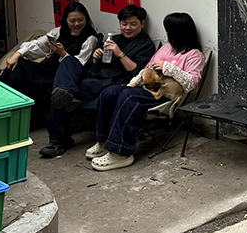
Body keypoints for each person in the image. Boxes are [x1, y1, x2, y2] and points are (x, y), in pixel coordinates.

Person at [85, 12, 205, 171]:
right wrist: (130, 85)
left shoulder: (195, 55)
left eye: (168, 30)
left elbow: (192, 85)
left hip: (165, 95)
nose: (166, 33)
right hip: (146, 87)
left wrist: (169, 68)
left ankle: (120, 153)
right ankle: (103, 141)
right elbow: (146, 69)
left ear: (178, 32)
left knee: (129, 97)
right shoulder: (166, 48)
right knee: (110, 92)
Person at [40, 5, 156, 158]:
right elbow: (93, 66)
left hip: (114, 82)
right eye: (124, 24)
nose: (128, 28)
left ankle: (58, 140)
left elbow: (136, 72)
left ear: (142, 23)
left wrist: (119, 53)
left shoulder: (146, 45)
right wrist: (96, 57)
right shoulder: (114, 38)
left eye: (133, 24)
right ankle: (65, 94)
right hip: (94, 77)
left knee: (64, 91)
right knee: (68, 64)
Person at [0, 2, 99, 125]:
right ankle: (1, 101)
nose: (77, 24)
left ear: (86, 19)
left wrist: (63, 53)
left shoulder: (90, 38)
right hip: (48, 68)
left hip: (64, 75)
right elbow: (38, 44)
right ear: (66, 20)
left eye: (81, 20)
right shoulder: (59, 31)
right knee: (18, 66)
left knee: (22, 73)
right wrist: (17, 54)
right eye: (72, 21)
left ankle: (22, 117)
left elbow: (79, 63)